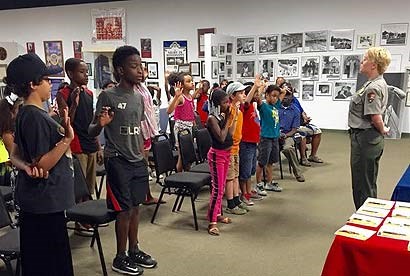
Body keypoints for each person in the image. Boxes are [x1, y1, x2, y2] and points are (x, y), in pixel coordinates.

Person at [89, 46, 157, 275]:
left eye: (141, 66)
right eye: (134, 66)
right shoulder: (108, 96)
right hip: (117, 160)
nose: (140, 70)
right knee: (124, 210)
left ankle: (134, 249)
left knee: (136, 207)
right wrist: (101, 124)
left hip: (137, 160)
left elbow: (137, 130)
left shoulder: (138, 98)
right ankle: (120, 256)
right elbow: (90, 129)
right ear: (120, 69)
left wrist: (142, 156)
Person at [6, 53, 75, 275]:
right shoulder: (34, 116)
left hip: (41, 202)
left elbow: (14, 154)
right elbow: (43, 165)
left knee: (40, 258)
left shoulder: (27, 113)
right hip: (45, 202)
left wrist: (25, 167)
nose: (50, 84)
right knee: (51, 262)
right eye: (46, 79)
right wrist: (66, 140)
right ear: (33, 84)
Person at [56, 58, 103, 235]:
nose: (86, 75)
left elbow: (91, 122)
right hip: (77, 146)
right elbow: (65, 123)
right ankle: (78, 223)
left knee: (90, 186)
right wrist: (73, 103)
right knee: (79, 188)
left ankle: (88, 218)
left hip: (90, 143)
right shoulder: (63, 94)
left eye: (86, 71)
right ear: (70, 74)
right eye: (82, 72)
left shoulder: (90, 93)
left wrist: (98, 146)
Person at [348, 47, 391, 210]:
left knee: (362, 183)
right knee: (366, 181)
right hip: (366, 138)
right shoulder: (373, 83)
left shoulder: (373, 87)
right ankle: (366, 216)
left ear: (373, 65)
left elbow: (375, 116)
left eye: (365, 59)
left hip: (366, 139)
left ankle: (364, 219)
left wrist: (383, 129)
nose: (361, 62)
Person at [206, 89, 237, 235]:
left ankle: (217, 214)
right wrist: (228, 120)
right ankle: (212, 222)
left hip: (226, 153)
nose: (228, 104)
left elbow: (230, 134)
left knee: (221, 187)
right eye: (225, 102)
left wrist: (232, 119)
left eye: (228, 101)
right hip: (216, 155)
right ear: (217, 104)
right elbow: (222, 137)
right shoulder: (212, 119)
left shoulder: (222, 116)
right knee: (217, 189)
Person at [255, 84, 286, 193]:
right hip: (265, 138)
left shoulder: (276, 105)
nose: (275, 98)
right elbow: (257, 98)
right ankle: (258, 184)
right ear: (267, 95)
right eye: (272, 95)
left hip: (274, 138)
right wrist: (262, 88)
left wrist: (278, 90)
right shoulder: (263, 106)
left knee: (270, 162)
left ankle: (269, 182)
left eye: (276, 96)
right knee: (262, 162)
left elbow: (284, 92)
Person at [239, 78, 264, 205]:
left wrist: (260, 87)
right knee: (245, 172)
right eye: (255, 94)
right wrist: (254, 86)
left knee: (251, 170)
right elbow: (247, 101)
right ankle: (244, 194)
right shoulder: (245, 107)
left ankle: (248, 192)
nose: (257, 96)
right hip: (246, 143)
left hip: (253, 143)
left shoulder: (253, 107)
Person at [225, 82, 248, 215]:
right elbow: (230, 132)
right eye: (240, 93)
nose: (243, 95)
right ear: (233, 96)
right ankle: (230, 204)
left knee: (235, 176)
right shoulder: (230, 110)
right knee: (230, 178)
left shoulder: (238, 110)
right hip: (229, 148)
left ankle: (236, 200)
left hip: (236, 148)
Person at [166, 72, 195, 172]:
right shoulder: (180, 97)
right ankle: (179, 176)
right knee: (182, 156)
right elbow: (169, 111)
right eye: (188, 81)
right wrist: (176, 96)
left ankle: (187, 174)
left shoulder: (190, 96)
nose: (192, 83)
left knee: (187, 154)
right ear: (181, 85)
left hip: (189, 127)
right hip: (181, 128)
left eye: (192, 81)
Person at [278, 91, 306, 182]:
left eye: (288, 95)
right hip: (273, 134)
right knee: (265, 147)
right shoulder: (275, 108)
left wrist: (285, 135)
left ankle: (297, 172)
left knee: (288, 148)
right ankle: (265, 176)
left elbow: (294, 130)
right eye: (284, 95)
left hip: (288, 135)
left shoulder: (296, 111)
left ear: (292, 97)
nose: (285, 97)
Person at [0, 93, 22, 186]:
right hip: (4, 169)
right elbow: (14, 152)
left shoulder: (9, 131)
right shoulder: (7, 134)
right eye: (18, 109)